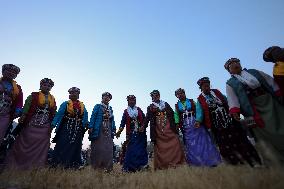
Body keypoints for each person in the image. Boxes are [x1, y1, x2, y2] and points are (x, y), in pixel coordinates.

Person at [225, 58, 284, 164]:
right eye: (231, 65)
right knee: (264, 134)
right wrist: (235, 111)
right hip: (253, 109)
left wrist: (279, 94)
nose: (235, 65)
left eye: (236, 62)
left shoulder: (254, 72)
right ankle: (276, 160)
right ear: (229, 71)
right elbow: (232, 98)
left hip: (270, 102)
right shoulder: (231, 83)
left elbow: (270, 81)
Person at [5, 78, 56, 170]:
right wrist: (23, 116)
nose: (47, 87)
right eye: (45, 85)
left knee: (42, 143)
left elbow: (53, 111)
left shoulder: (52, 98)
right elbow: (27, 106)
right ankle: (18, 164)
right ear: (41, 86)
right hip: (32, 122)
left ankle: (36, 166)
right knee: (25, 140)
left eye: (49, 86)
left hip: (45, 124)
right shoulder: (33, 95)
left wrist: (52, 124)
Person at [174, 88, 221, 166]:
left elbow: (198, 109)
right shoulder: (177, 105)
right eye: (178, 94)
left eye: (181, 93)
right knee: (190, 143)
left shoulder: (192, 101)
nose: (180, 95)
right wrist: (177, 123)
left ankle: (210, 160)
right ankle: (195, 162)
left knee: (202, 140)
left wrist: (199, 120)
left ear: (184, 93)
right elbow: (176, 115)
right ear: (176, 96)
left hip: (195, 122)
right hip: (186, 125)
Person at [144, 90, 185, 170]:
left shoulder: (165, 104)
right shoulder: (150, 107)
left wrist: (177, 123)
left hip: (169, 126)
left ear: (159, 96)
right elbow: (147, 118)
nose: (154, 97)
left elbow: (172, 114)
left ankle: (176, 163)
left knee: (175, 140)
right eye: (153, 96)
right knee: (160, 146)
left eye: (156, 95)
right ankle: (163, 165)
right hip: (158, 129)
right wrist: (143, 126)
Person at [51, 87, 88, 169]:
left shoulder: (82, 105)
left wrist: (86, 124)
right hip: (66, 126)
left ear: (78, 95)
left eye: (75, 93)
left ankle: (74, 164)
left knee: (76, 145)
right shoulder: (65, 104)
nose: (73, 94)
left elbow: (85, 116)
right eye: (71, 93)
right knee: (63, 143)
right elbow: (59, 114)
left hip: (78, 128)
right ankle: (58, 163)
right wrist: (53, 124)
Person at [116, 95, 148, 172]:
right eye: (130, 100)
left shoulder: (139, 110)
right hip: (131, 133)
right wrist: (119, 131)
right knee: (131, 149)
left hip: (141, 134)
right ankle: (129, 168)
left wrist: (143, 126)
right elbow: (123, 122)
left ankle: (142, 166)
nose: (132, 101)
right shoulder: (126, 111)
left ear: (135, 101)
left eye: (133, 100)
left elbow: (144, 119)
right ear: (128, 101)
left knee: (141, 149)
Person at [88, 92, 116, 172]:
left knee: (108, 148)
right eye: (104, 97)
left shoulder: (110, 109)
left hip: (108, 129)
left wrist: (113, 129)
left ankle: (108, 167)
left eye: (108, 97)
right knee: (98, 147)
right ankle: (96, 167)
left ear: (110, 99)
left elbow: (112, 120)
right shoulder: (97, 106)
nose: (106, 98)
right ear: (102, 98)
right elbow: (93, 116)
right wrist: (91, 127)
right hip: (99, 128)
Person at [0, 64, 23, 145]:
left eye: (14, 72)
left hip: (5, 113)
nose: (11, 73)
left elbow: (19, 102)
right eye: (9, 71)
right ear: (3, 72)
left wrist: (17, 110)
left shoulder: (18, 88)